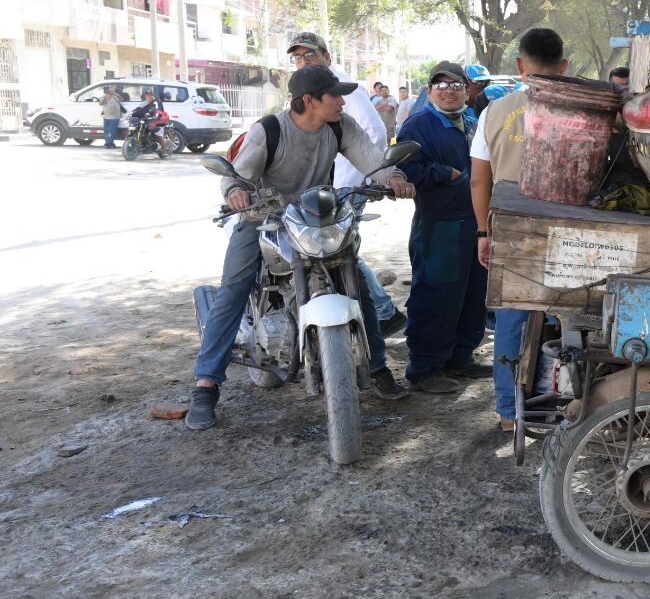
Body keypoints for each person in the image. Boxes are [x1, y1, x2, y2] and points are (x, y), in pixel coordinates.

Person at [185, 64, 417, 430]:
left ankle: (377, 367)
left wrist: (394, 178)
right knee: (233, 290)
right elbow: (238, 176)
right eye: (335, 95)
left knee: (357, 283)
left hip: (316, 220)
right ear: (309, 100)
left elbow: (373, 162)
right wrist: (237, 192)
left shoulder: (339, 126)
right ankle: (206, 384)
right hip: (263, 217)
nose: (342, 101)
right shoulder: (270, 130)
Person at [471, 28, 568, 430]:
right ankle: (561, 401)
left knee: (512, 318)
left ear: (520, 66)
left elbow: (480, 180)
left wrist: (483, 232)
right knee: (568, 316)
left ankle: (510, 412)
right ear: (564, 66)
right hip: (568, 229)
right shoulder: (583, 110)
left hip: (510, 229)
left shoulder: (494, 112)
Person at [288, 32, 406, 336]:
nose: (303, 61)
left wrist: (359, 181)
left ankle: (381, 313)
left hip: (342, 189)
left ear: (327, 56)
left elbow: (374, 134)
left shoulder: (339, 88)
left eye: (310, 55)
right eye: (298, 57)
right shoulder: (301, 92)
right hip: (310, 194)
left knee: (342, 253)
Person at [395, 63, 492, 393]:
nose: (448, 90)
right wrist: (444, 174)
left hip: (476, 223)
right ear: (430, 90)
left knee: (472, 293)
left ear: (467, 90)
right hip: (440, 224)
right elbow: (408, 168)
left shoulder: (473, 121)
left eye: (456, 85)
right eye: (441, 84)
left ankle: (460, 357)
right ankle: (424, 368)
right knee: (435, 294)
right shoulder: (418, 125)